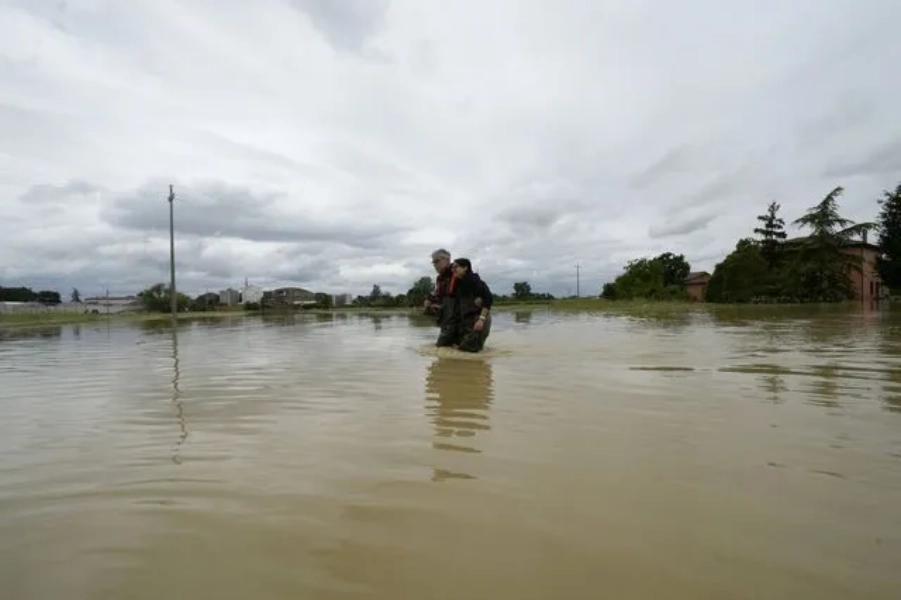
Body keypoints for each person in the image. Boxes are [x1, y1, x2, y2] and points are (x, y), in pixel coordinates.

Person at [436, 257, 493, 353]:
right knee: (459, 349)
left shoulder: (475, 281)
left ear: (465, 268)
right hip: (467, 323)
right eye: (452, 268)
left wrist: (481, 320)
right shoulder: (459, 284)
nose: (453, 270)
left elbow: (488, 299)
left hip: (479, 320)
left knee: (469, 351)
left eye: (456, 267)